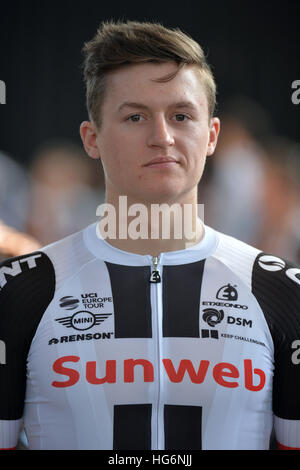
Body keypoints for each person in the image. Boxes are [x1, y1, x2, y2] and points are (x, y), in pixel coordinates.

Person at [0, 20, 299, 451]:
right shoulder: (18, 291)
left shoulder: (284, 294)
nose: (162, 137)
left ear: (211, 135)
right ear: (92, 139)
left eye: (181, 116)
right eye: (135, 116)